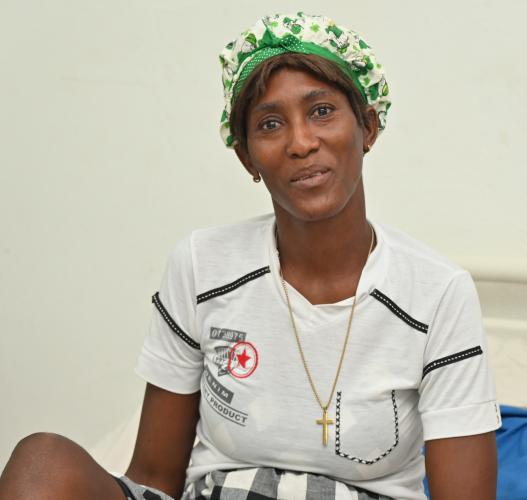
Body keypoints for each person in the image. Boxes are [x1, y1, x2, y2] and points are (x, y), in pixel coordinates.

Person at [0, 12, 501, 500]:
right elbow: (154, 476)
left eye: (322, 111)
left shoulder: (437, 292)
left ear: (367, 127)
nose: (301, 143)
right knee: (42, 462)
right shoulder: (202, 265)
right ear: (247, 157)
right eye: (270, 124)